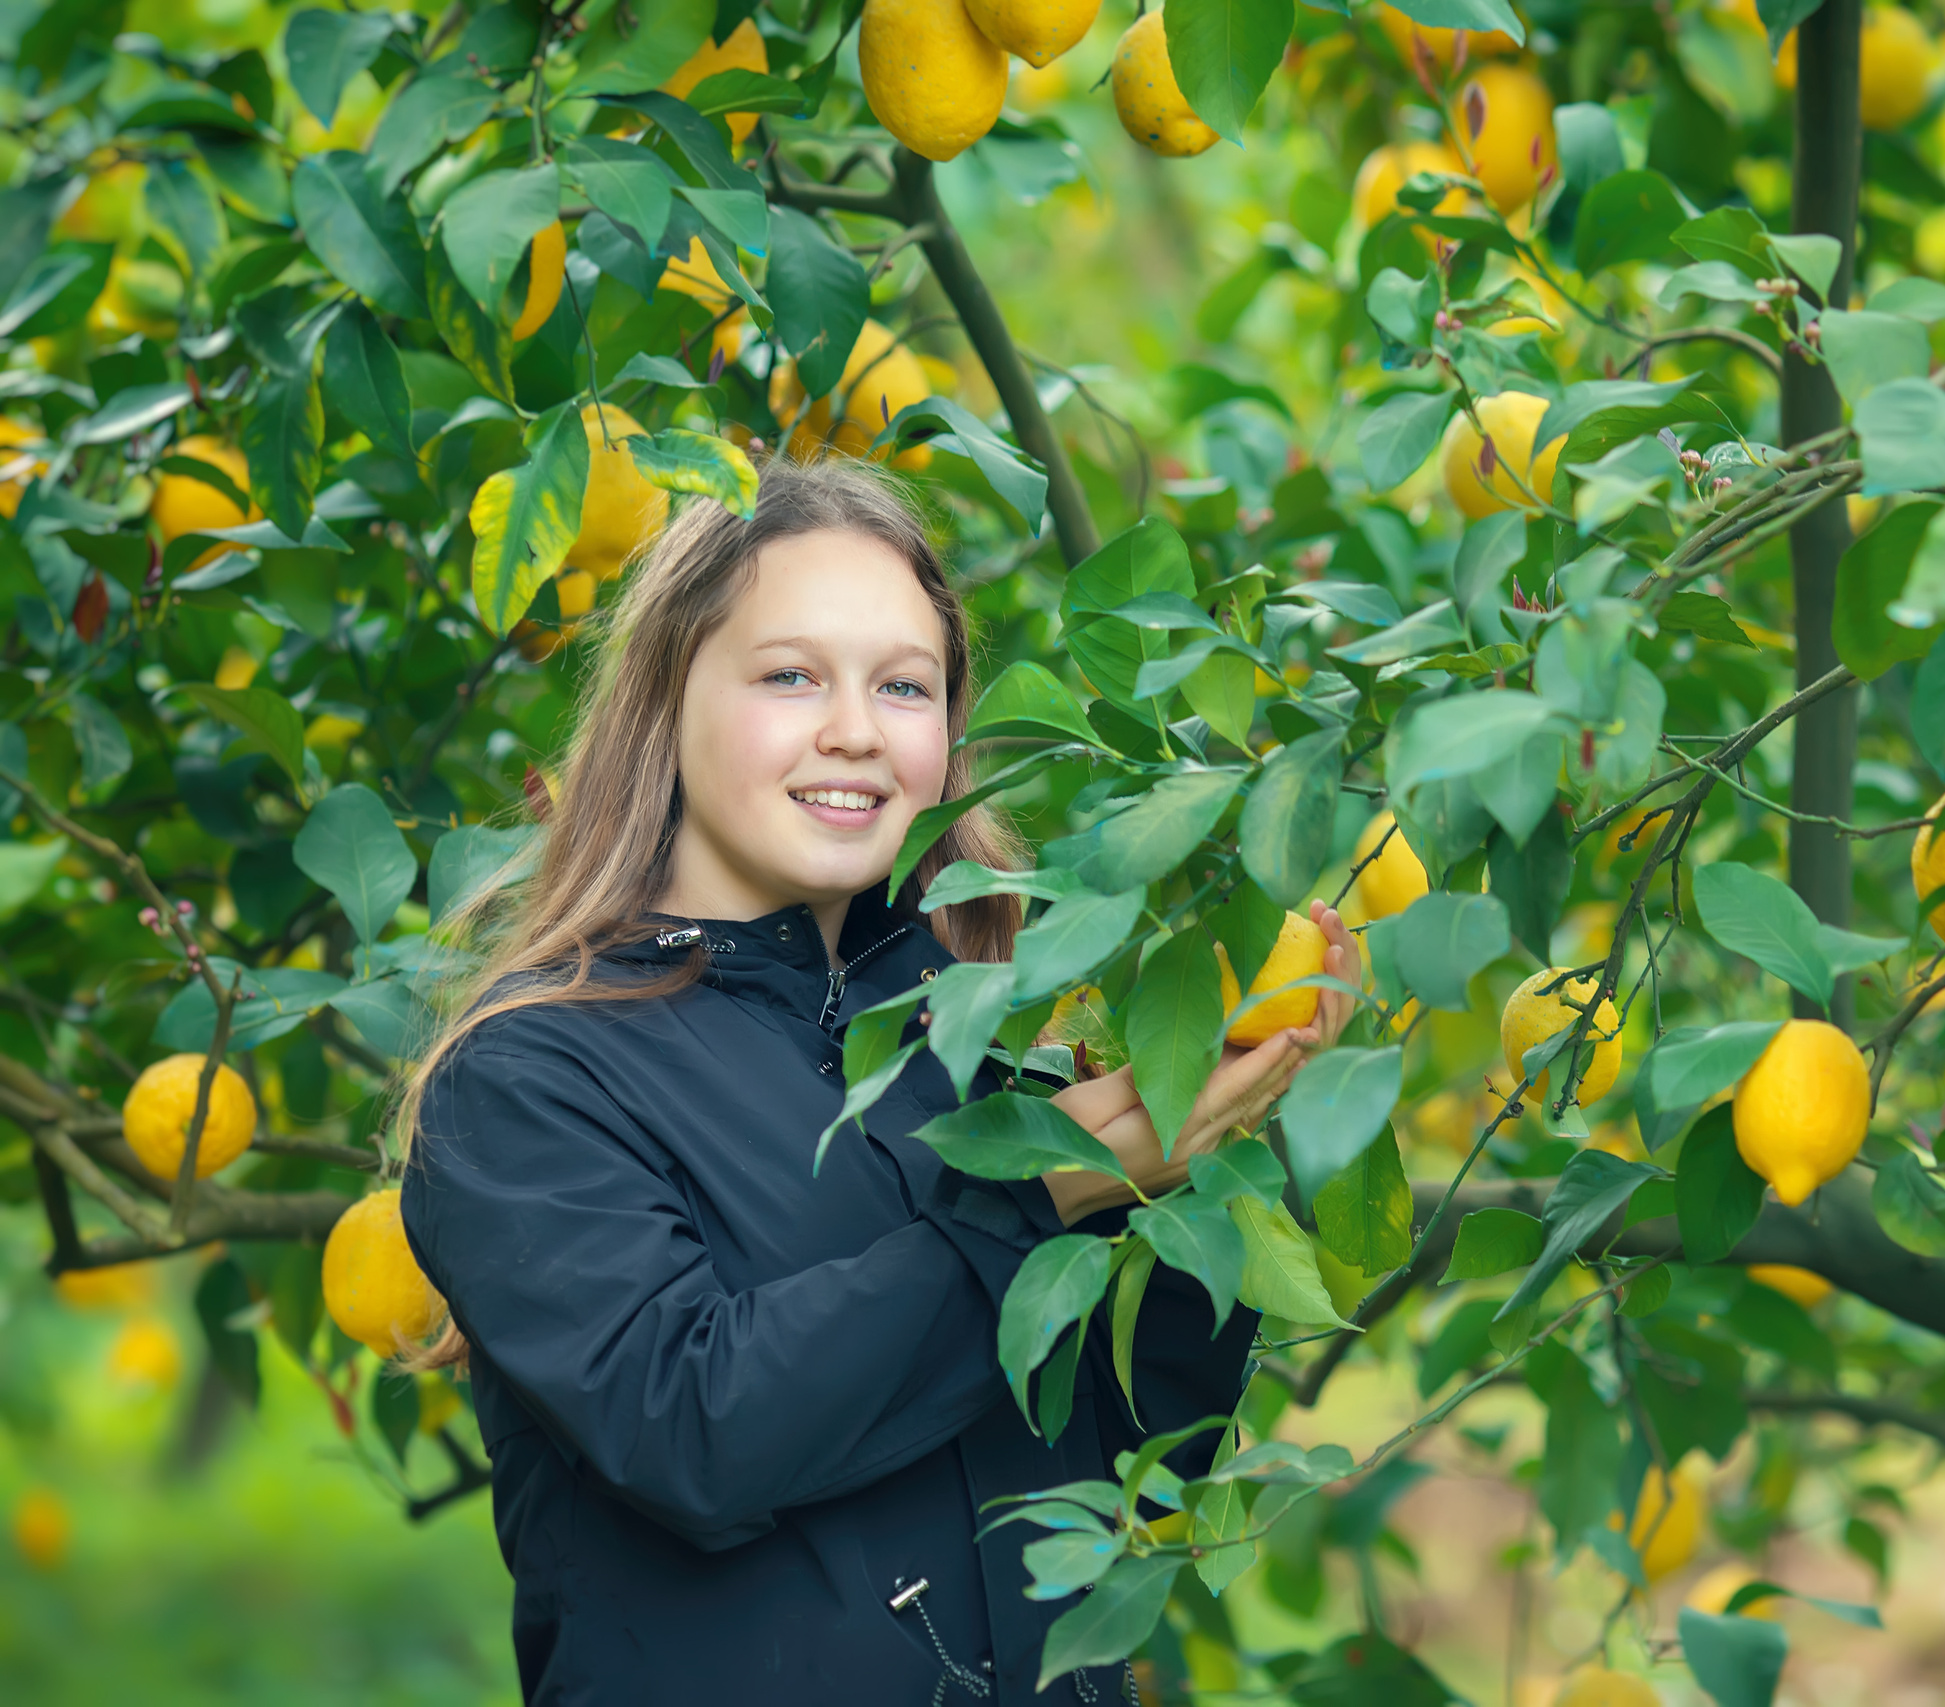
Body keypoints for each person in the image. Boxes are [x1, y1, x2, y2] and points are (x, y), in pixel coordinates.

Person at [397, 453, 1358, 1706]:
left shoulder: (993, 1040)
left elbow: (1137, 1447)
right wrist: (1042, 1195)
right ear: (666, 704)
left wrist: (1211, 1134)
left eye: (903, 685)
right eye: (791, 675)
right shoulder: (531, 1075)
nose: (853, 726)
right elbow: (692, 1429)